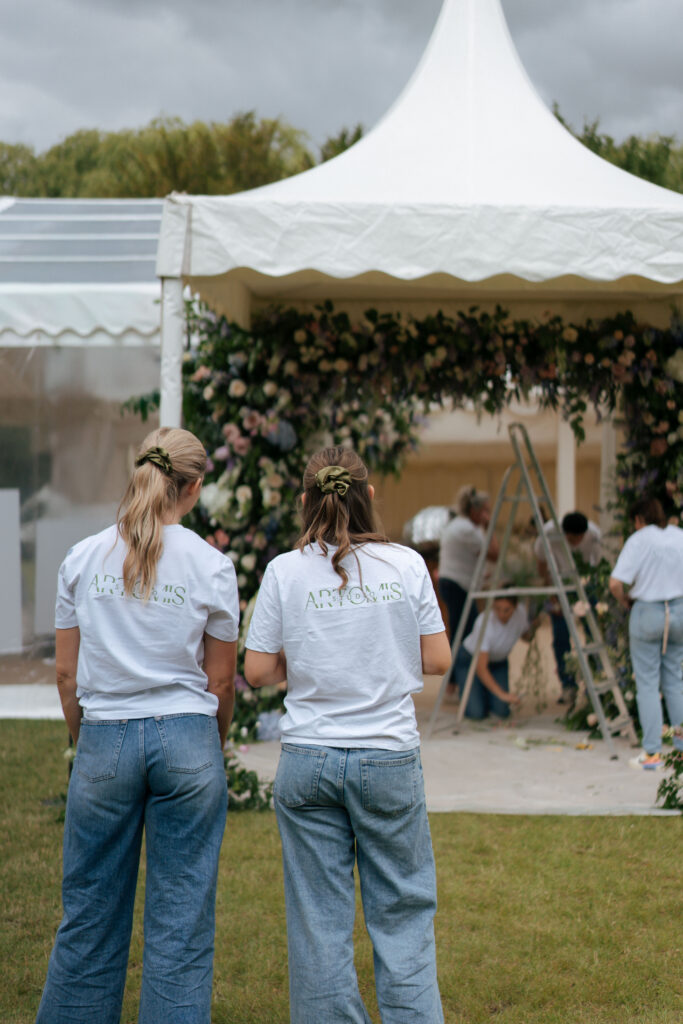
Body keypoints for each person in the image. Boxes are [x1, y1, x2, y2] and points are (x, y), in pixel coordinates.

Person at [36, 427, 239, 1024]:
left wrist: (86, 742)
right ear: (194, 488)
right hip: (188, 737)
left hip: (105, 735)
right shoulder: (212, 565)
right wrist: (211, 746)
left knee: (89, 916)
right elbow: (222, 683)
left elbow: (66, 675)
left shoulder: (82, 557)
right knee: (181, 925)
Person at [244, 446, 451, 1024]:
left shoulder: (284, 570)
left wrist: (312, 660)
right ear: (370, 496)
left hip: (308, 758)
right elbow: (439, 659)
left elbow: (257, 670)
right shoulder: (406, 564)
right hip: (388, 758)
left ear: (305, 500)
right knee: (404, 917)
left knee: (318, 925)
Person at [609, 497, 683, 770]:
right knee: (675, 681)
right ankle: (682, 750)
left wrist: (624, 600)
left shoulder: (639, 540)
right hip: (679, 610)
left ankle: (652, 753)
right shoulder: (679, 536)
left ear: (639, 519)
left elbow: (615, 583)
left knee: (648, 684)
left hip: (648, 611)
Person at [438, 485, 499, 697]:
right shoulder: (469, 530)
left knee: (461, 631)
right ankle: (459, 681)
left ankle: (455, 681)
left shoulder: (459, 525)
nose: (488, 515)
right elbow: (494, 554)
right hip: (458, 585)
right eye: (485, 511)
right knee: (467, 634)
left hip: (453, 582)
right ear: (475, 511)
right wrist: (489, 526)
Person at [534, 510, 601, 704]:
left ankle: (595, 682)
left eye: (581, 538)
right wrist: (550, 589)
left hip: (586, 585)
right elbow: (541, 562)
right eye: (573, 538)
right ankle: (568, 685)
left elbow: (596, 564)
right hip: (559, 585)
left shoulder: (594, 534)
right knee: (561, 635)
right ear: (565, 534)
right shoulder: (548, 533)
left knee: (593, 634)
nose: (577, 542)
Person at [454, 592, 530, 720]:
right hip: (471, 660)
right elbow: (481, 668)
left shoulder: (521, 614)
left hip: (498, 662)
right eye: (497, 609)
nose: (501, 614)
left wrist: (535, 625)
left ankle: (484, 692)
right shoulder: (484, 622)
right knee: (476, 713)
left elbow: (526, 636)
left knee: (501, 711)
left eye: (507, 610)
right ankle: (474, 689)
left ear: (515, 607)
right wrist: (502, 695)